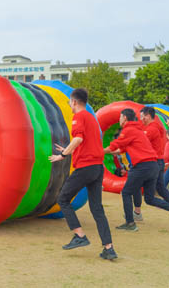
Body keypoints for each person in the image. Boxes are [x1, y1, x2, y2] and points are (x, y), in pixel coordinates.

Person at [49, 88, 117, 260]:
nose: (69, 106)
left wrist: (62, 155)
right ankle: (109, 248)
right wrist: (67, 149)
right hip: (97, 167)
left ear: (74, 102)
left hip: (85, 167)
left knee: (63, 199)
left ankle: (80, 236)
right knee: (97, 209)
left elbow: (78, 139)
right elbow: (85, 143)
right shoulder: (92, 119)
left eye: (69, 103)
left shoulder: (79, 117)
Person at [104, 108, 169, 232]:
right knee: (150, 197)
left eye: (143, 116)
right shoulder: (140, 130)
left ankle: (131, 222)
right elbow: (127, 146)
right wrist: (116, 151)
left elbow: (116, 145)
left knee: (127, 192)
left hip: (144, 165)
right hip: (152, 165)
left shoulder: (139, 129)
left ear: (125, 118)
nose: (141, 119)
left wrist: (97, 152)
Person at [136, 106, 169, 220]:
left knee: (138, 187)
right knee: (161, 188)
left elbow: (140, 142)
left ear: (148, 116)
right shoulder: (157, 126)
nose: (141, 119)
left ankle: (136, 213)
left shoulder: (152, 128)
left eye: (142, 117)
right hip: (159, 161)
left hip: (153, 162)